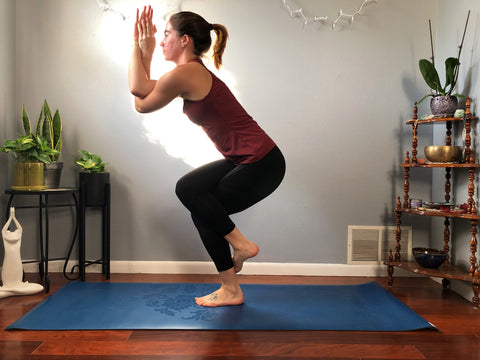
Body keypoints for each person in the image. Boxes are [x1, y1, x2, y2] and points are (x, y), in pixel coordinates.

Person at [129, 6, 286, 307]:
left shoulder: (187, 72)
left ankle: (241, 246)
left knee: (189, 191)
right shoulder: (186, 74)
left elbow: (137, 89)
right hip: (248, 161)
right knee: (199, 204)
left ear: (184, 39)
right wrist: (145, 52)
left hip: (262, 162)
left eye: (165, 35)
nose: (161, 40)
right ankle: (231, 288)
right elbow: (141, 103)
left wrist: (138, 47)